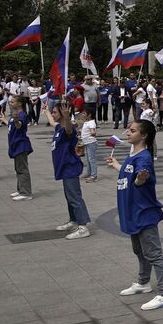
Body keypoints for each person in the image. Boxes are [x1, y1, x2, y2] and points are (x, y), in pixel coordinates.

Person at [111, 119, 163, 310]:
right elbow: (129, 173)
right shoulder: (134, 155)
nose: (127, 133)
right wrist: (116, 165)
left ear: (143, 135)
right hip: (132, 211)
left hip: (143, 213)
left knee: (154, 254)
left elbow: (140, 179)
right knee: (140, 251)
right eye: (128, 130)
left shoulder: (144, 158)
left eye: (132, 131)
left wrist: (140, 179)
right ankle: (143, 282)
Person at [50, 100, 93, 239]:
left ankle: (83, 226)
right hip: (63, 168)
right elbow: (53, 122)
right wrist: (45, 110)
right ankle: (73, 220)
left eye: (55, 112)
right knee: (69, 196)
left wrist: (67, 117)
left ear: (63, 113)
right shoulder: (58, 128)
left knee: (75, 197)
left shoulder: (68, 130)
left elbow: (68, 129)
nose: (52, 114)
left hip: (70, 167)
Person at [7, 96, 34, 201]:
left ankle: (26, 192)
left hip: (21, 145)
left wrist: (16, 120)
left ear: (19, 104)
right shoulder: (15, 114)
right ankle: (20, 189)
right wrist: (5, 120)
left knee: (22, 169)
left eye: (12, 102)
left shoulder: (21, 114)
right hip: (15, 144)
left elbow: (19, 125)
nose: (10, 103)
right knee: (18, 168)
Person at [79, 109, 100, 182]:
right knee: (88, 159)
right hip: (86, 143)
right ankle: (89, 173)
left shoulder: (91, 122)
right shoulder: (86, 122)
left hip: (91, 143)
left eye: (84, 113)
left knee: (92, 159)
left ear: (89, 114)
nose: (83, 115)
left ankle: (94, 175)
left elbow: (93, 132)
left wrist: (92, 132)